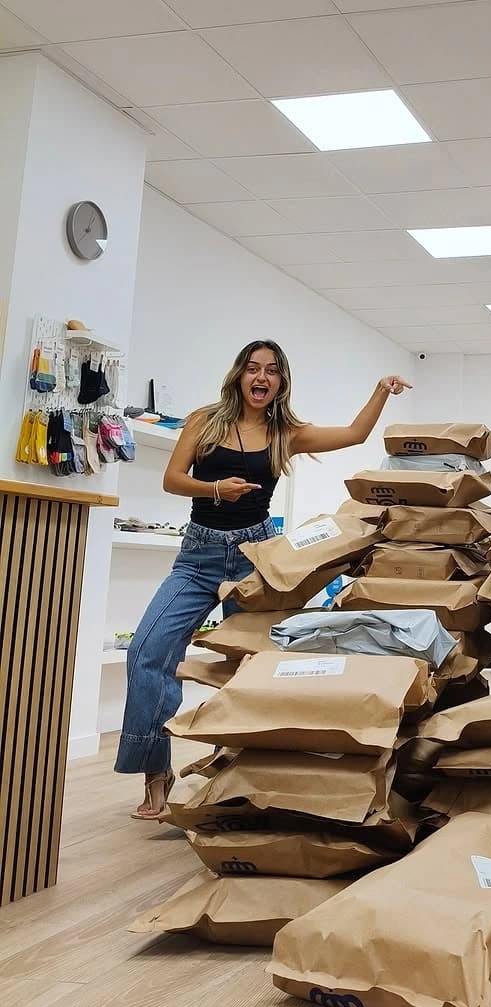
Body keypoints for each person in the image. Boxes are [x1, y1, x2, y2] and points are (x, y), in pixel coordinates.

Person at [116, 339, 411, 819]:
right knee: (147, 652)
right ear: (239, 374)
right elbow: (172, 479)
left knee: (252, 668)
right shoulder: (205, 420)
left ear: (281, 381)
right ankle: (156, 771)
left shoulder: (285, 433)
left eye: (271, 371)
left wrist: (380, 390)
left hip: (256, 558)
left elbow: (356, 434)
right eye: (253, 368)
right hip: (198, 556)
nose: (261, 377)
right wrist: (215, 489)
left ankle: (240, 770)